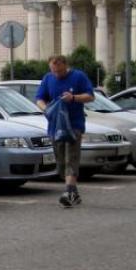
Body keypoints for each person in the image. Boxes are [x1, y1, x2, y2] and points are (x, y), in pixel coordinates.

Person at [35, 55, 95, 208]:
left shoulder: (78, 76)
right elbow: (39, 98)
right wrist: (46, 109)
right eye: (54, 71)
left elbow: (90, 96)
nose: (57, 74)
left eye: (59, 71)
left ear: (65, 66)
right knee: (61, 162)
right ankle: (74, 192)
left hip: (74, 125)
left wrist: (74, 97)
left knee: (71, 158)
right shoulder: (48, 78)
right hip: (55, 126)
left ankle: (68, 192)